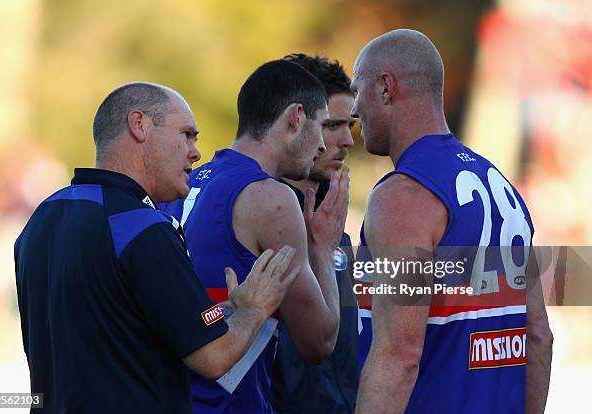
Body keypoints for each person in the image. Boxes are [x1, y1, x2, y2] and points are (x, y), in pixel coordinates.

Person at [14, 82, 301, 414]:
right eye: (186, 135)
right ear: (139, 125)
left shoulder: (42, 218)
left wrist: (220, 314)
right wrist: (253, 308)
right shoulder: (142, 227)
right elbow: (214, 355)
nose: (195, 152)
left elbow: (109, 326)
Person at [350, 30, 553, 413]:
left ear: (385, 88)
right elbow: (539, 335)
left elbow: (399, 357)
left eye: (357, 90)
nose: (355, 110)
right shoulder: (501, 186)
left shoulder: (403, 196)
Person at [160, 60, 349, 413]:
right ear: (295, 117)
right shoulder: (270, 198)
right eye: (323, 126)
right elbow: (319, 341)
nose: (323, 145)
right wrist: (323, 248)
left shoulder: (182, 185)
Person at [270, 53, 358, 414]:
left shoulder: (334, 221)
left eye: (352, 125)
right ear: (297, 121)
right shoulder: (260, 214)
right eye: (333, 125)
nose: (348, 140)